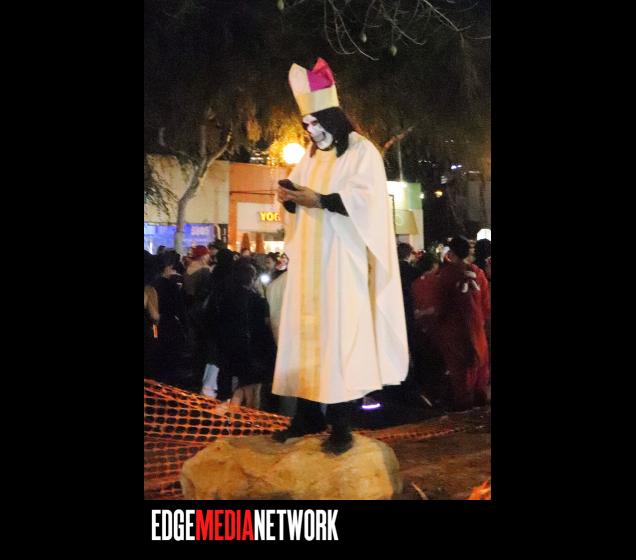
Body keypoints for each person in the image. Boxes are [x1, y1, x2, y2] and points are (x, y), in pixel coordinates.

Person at [272, 58, 409, 454]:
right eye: (306, 125)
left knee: (341, 339)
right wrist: (290, 198)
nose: (312, 131)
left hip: (342, 264)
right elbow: (299, 200)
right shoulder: (310, 157)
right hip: (310, 266)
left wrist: (322, 200)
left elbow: (368, 202)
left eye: (316, 123)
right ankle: (305, 417)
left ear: (333, 118)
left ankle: (342, 424)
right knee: (305, 337)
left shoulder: (362, 152)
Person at [432, 236, 490, 410]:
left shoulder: (446, 275)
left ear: (451, 253)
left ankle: (463, 407)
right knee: (479, 367)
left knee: (460, 372)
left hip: (454, 330)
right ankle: (479, 403)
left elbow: (440, 304)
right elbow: (486, 305)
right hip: (477, 327)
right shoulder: (478, 273)